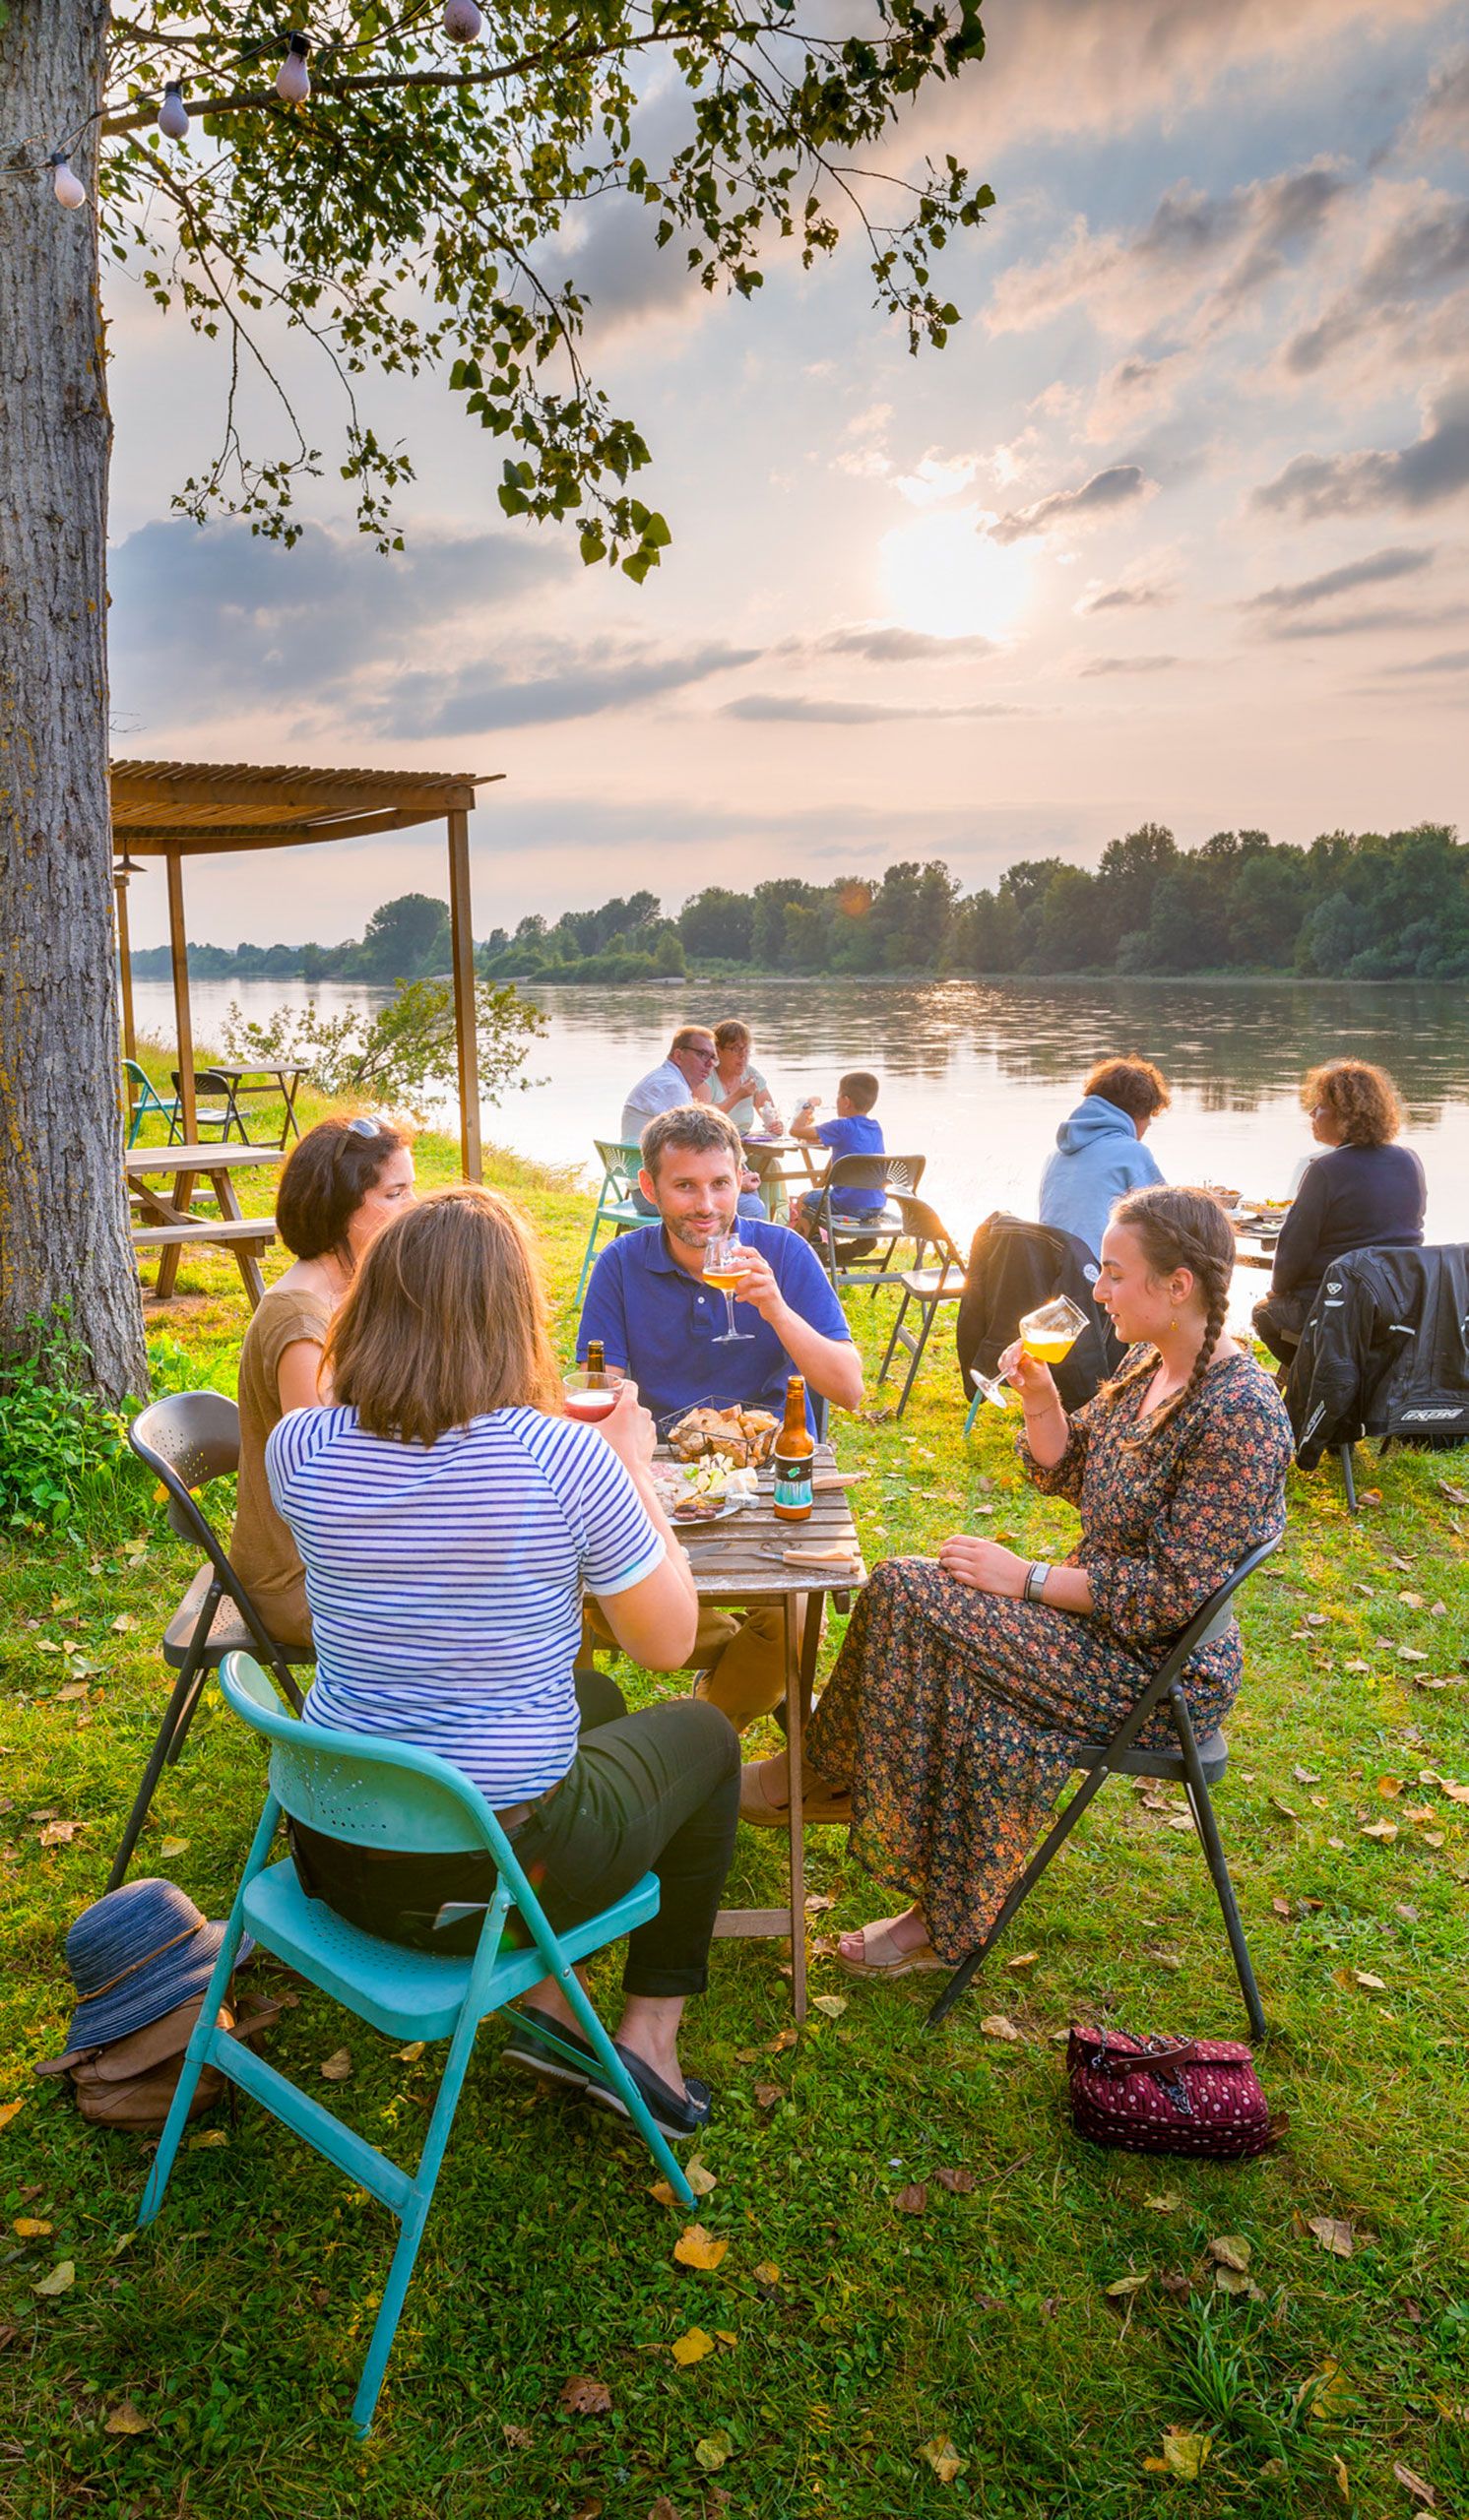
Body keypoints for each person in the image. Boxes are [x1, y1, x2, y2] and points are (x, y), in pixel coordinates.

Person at [266, 1186, 735, 2141]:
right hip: (481, 1873)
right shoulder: (564, 1458)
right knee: (704, 1733)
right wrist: (631, 1468)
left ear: (372, 1308)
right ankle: (645, 2038)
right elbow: (669, 1643)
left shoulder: (298, 1445)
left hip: (330, 1848)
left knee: (590, 1692)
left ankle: (554, 2008)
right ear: (513, 1319)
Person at [740, 1186, 1292, 1979]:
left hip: (1161, 1670)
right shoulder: (1147, 1364)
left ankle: (823, 1777)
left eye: (1113, 1274)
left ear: (1179, 1286)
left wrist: (1024, 1579)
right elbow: (1069, 1469)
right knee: (927, 1620)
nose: (1097, 1290)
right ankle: (906, 1873)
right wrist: (1040, 1399)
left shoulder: (1239, 1413)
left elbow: (1173, 1597)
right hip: (1096, 1623)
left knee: (906, 1589)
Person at [577, 1103, 863, 1725]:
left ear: (742, 1178)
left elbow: (849, 1390)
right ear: (649, 1189)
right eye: (685, 1186)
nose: (707, 1205)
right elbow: (606, 1400)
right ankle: (742, 1674)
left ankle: (705, 1730)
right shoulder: (620, 1266)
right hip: (660, 1487)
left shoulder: (784, 1253)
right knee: (597, 1599)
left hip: (771, 1487)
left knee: (789, 1618)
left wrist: (778, 1311)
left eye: (720, 1183)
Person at [230, 1114, 415, 1649]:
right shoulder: (300, 1323)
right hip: (299, 1581)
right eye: (395, 1194)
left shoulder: (345, 1294)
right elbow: (321, 1485)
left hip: (334, 1557)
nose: (411, 1208)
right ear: (340, 1209)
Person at [1252, 1058, 1426, 1366]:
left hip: (1334, 1304)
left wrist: (1278, 1290)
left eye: (1319, 1105)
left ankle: (1316, 1385)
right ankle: (1350, 1381)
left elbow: (1292, 1253)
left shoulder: (1325, 1170)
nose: (1311, 1113)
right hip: (1396, 1305)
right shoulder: (1410, 1160)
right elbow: (1412, 1225)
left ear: (1346, 1115)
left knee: (1264, 1313)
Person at [1039, 1056, 1170, 1265]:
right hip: (1099, 1277)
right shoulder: (1132, 1153)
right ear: (1138, 1112)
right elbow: (1170, 1220)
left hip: (1050, 1275)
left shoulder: (1055, 1155)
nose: (1149, 1125)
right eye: (1149, 1117)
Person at [789, 1070, 886, 1243]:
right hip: (876, 1205)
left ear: (846, 1101)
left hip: (849, 1204)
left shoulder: (841, 1126)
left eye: (838, 1096)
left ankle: (813, 1245)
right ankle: (856, 1244)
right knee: (823, 1194)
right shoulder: (875, 1128)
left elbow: (795, 1130)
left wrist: (808, 1106)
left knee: (804, 1199)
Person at [619, 1027, 718, 1144]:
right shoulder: (671, 1086)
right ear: (678, 1056)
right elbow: (692, 1140)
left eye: (713, 1057)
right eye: (702, 1054)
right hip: (644, 1160)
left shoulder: (666, 1077)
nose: (710, 1064)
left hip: (636, 1158)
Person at [706, 1020, 783, 1135]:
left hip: (743, 1142)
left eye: (746, 1049)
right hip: (712, 1143)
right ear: (718, 1050)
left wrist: (777, 1126)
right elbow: (702, 1119)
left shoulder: (751, 1075)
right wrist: (738, 1096)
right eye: (735, 1049)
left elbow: (771, 1114)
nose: (743, 1055)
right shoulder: (705, 1076)